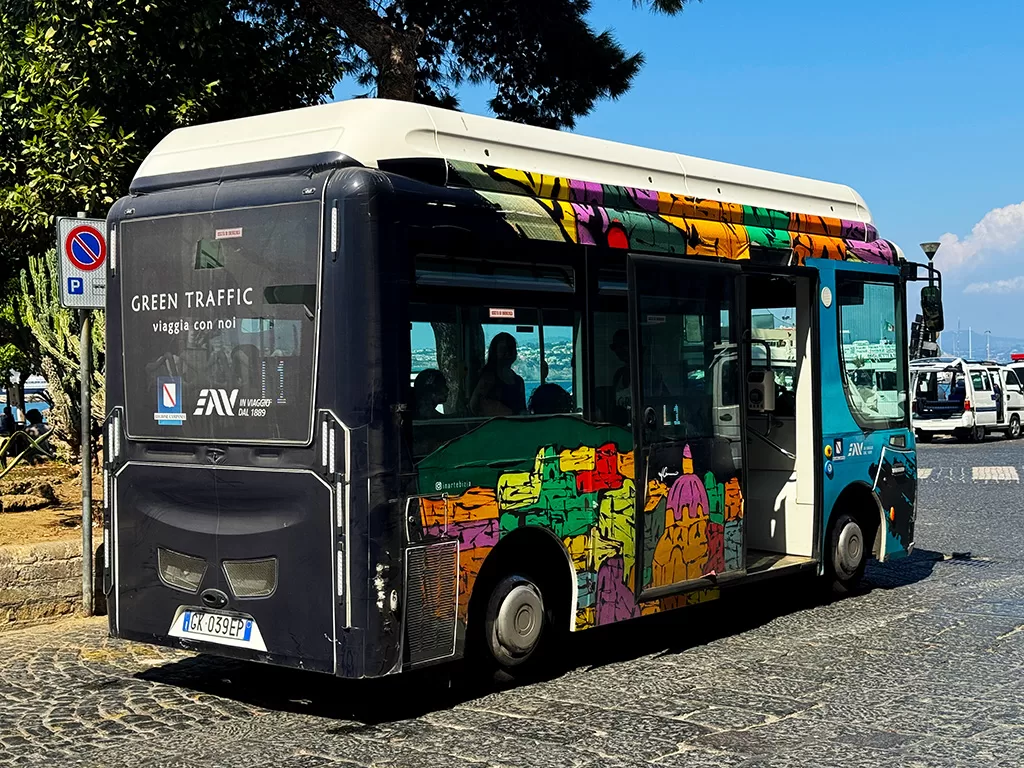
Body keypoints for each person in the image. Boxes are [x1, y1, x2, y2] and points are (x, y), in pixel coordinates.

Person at [470, 333, 526, 417]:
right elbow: (474, 406)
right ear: (495, 353)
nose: (508, 353)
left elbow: (522, 409)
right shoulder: (487, 378)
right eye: (503, 350)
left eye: (511, 349)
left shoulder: (519, 381)